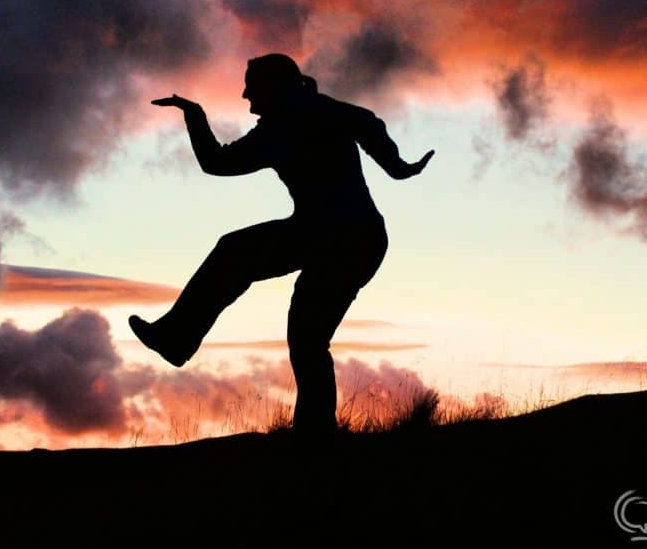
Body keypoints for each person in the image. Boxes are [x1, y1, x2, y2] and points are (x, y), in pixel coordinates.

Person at [130, 53, 434, 437]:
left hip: (344, 237)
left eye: (251, 86)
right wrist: (397, 166)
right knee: (304, 335)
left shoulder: (283, 125)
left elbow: (217, 162)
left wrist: (194, 117)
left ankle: (178, 339)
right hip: (336, 235)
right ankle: (313, 429)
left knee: (291, 319)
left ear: (274, 85)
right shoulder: (304, 116)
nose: (244, 95)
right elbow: (365, 122)